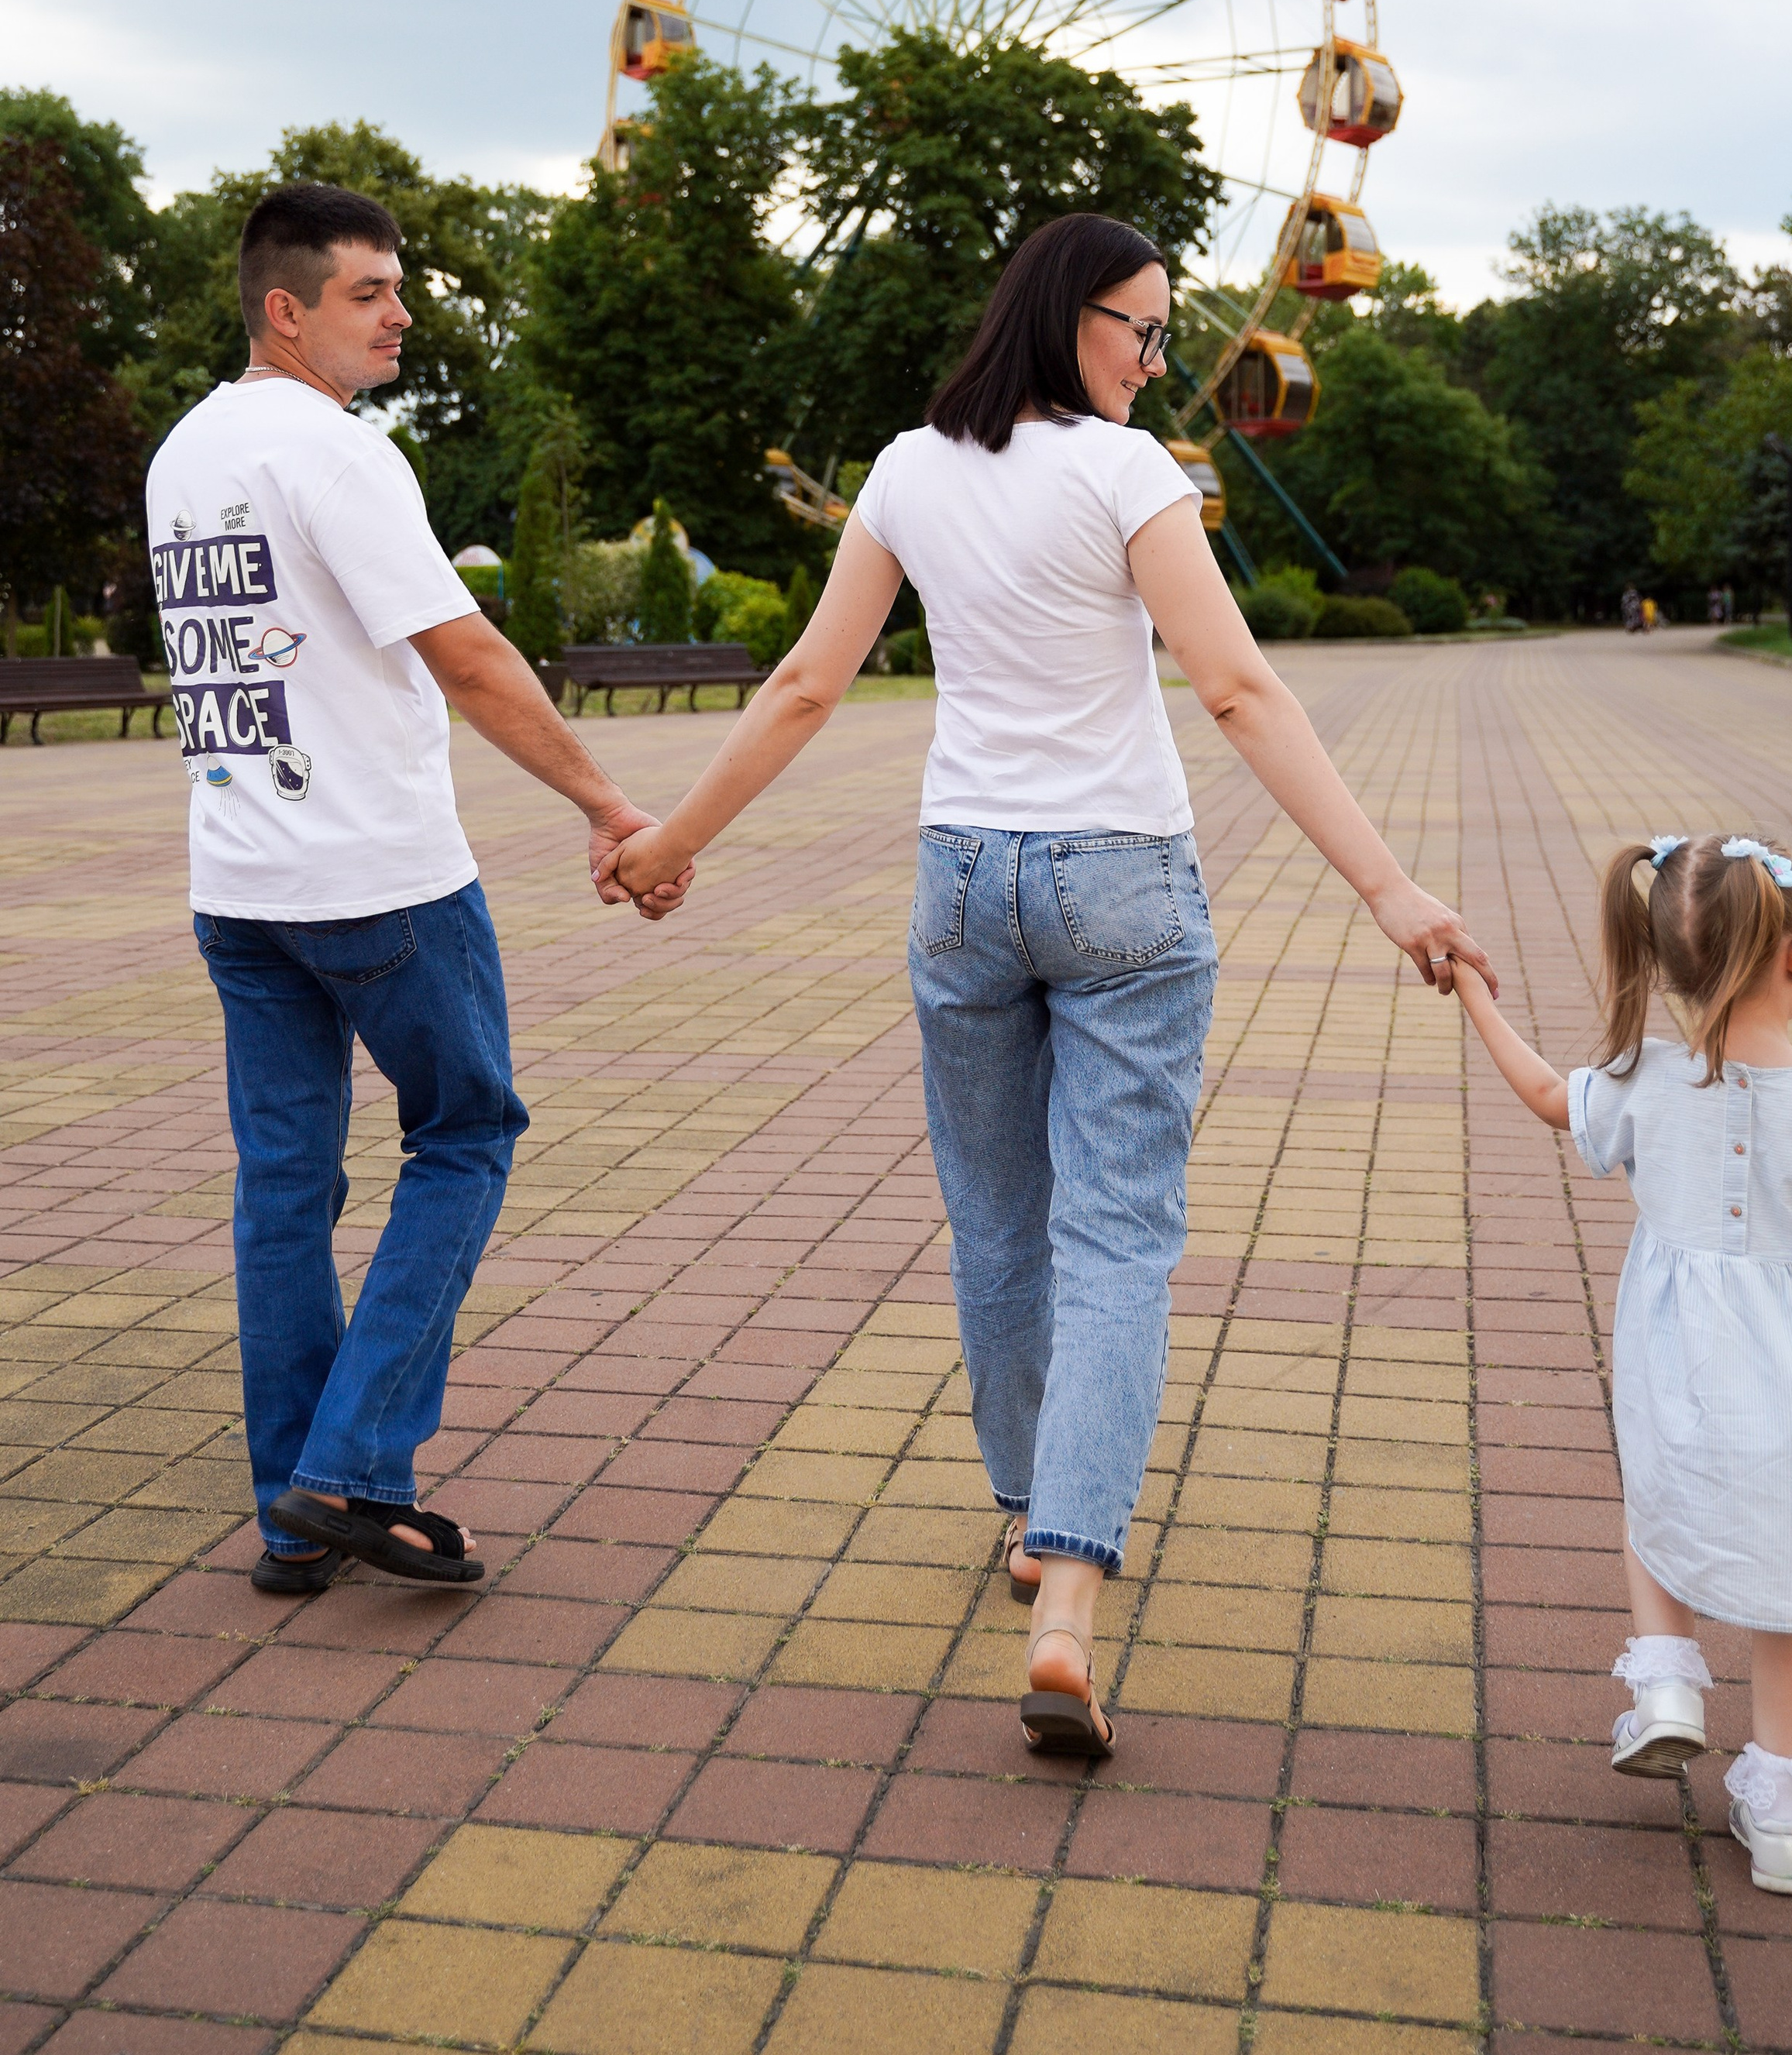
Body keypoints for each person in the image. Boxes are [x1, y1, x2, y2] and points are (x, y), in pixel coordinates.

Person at [604, 212, 1493, 1753]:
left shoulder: (904, 469)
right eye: (1141, 332)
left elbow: (810, 682)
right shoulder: (1124, 476)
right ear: (1066, 318)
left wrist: (671, 839)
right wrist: (1386, 884)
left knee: (999, 1221)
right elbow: (1230, 685)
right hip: (1119, 881)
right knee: (1119, 1233)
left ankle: (1026, 1511)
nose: (1156, 363)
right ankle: (1070, 1587)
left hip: (961, 881)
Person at [146, 183, 662, 1596]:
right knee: (469, 1130)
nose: (402, 310)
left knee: (284, 1193)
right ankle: (353, 1465)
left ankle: (290, 1521)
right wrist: (612, 805)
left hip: (239, 881)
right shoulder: (339, 454)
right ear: (287, 308)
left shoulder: (186, 451)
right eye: (371, 290)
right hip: (377, 879)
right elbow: (471, 654)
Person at [1446, 831, 1792, 1895]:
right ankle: (1781, 1815)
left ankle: (1667, 1687)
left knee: (1659, 1511)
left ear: (1666, 961)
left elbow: (1541, 1092)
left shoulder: (1646, 1080)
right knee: (1791, 1607)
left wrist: (1477, 995)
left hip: (1680, 1369)